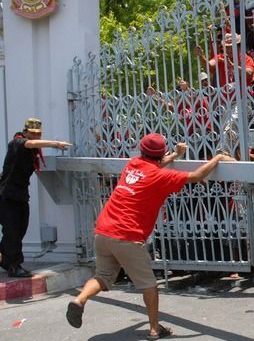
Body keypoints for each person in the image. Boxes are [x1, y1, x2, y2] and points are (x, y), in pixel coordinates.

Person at [65, 133, 235, 339]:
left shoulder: (132, 164)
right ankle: (155, 329)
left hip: (103, 230)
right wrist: (217, 158)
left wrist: (175, 155)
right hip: (127, 234)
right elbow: (195, 177)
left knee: (102, 276)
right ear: (161, 153)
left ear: (141, 150)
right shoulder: (160, 177)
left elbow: (156, 163)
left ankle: (80, 300)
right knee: (149, 285)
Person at [0, 118, 71, 278]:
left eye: (38, 134)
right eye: (32, 133)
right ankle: (14, 266)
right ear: (25, 132)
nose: (35, 137)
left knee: (20, 231)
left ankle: (5, 258)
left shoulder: (32, 151)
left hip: (20, 195)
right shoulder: (17, 143)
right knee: (12, 232)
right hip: (7, 196)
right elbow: (29, 144)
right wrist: (54, 144)